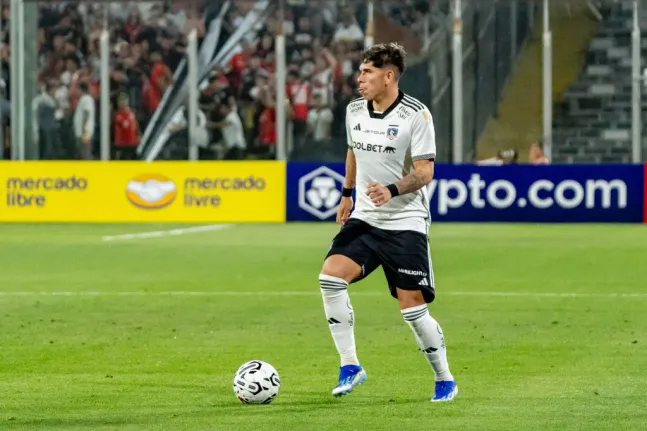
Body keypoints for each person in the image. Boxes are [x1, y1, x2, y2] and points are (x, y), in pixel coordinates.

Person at [319, 42, 457, 402]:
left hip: (406, 219)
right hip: (365, 217)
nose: (359, 78)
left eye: (367, 72)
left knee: (412, 309)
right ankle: (350, 364)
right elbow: (352, 151)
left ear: (389, 76)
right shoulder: (353, 111)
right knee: (330, 277)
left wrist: (393, 190)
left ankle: (444, 378)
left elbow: (426, 171)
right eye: (361, 71)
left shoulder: (416, 115)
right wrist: (347, 194)